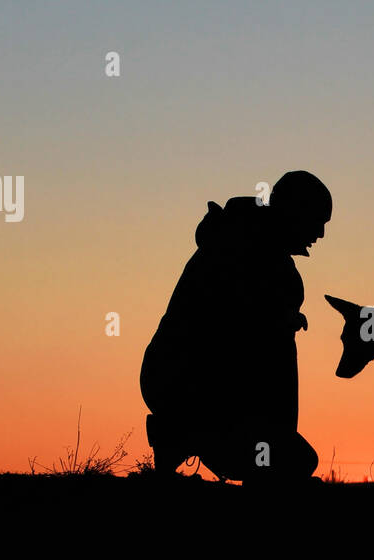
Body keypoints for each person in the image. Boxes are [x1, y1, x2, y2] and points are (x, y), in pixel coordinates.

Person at [140, 171, 330, 481]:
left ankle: (183, 435)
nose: (321, 233)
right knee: (287, 461)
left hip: (191, 384)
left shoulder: (253, 250)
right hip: (184, 383)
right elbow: (237, 334)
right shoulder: (235, 247)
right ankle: (183, 435)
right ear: (295, 212)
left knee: (297, 460)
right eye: (317, 220)